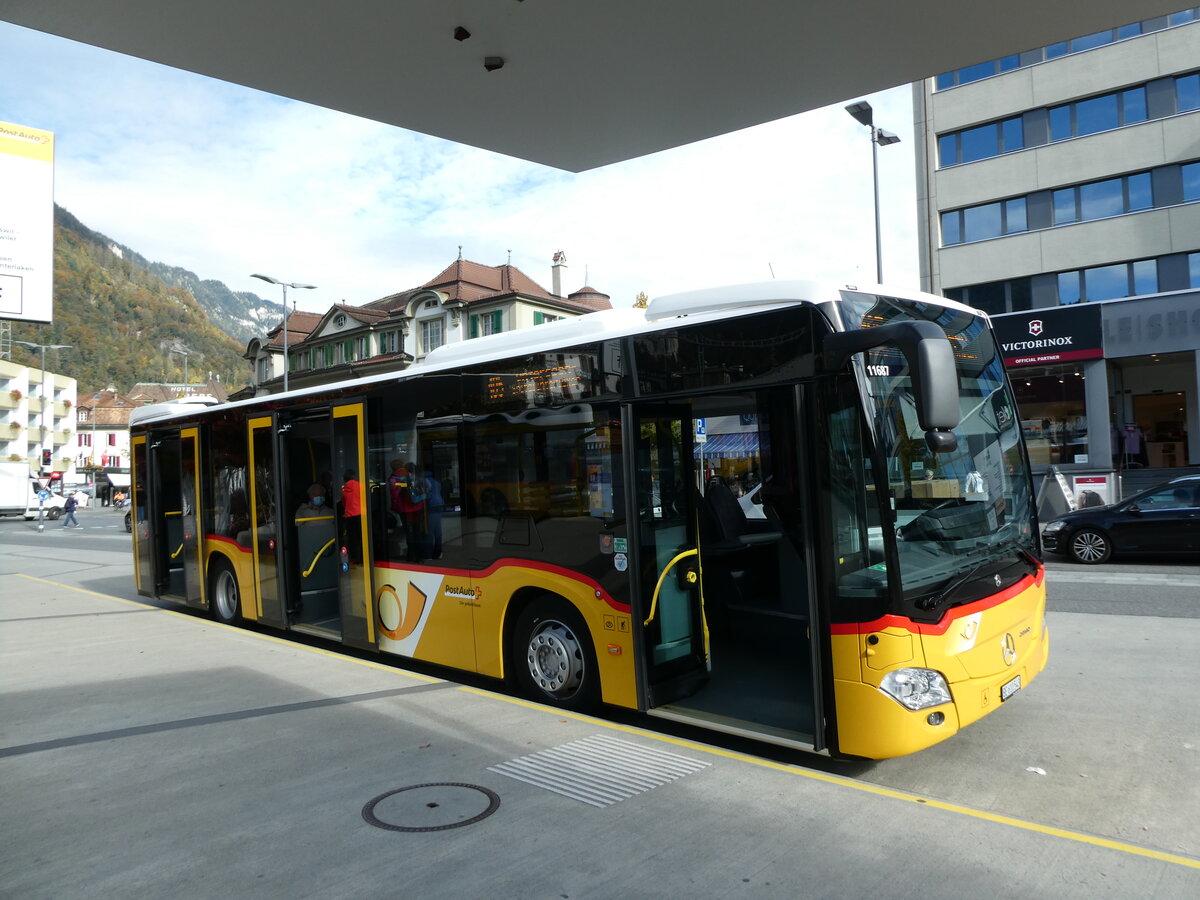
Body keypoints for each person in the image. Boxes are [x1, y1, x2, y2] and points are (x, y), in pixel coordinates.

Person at [388, 459, 426, 562]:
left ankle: (410, 556)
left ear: (392, 468)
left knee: (409, 533)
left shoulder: (394, 478)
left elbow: (394, 495)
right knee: (417, 531)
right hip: (417, 506)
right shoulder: (410, 474)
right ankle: (420, 557)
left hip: (404, 509)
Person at [340, 469, 362, 563]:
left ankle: (355, 559)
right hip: (360, 515)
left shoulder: (344, 489)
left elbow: (344, 503)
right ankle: (362, 558)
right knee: (362, 538)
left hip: (349, 516)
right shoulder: (360, 485)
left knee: (353, 539)